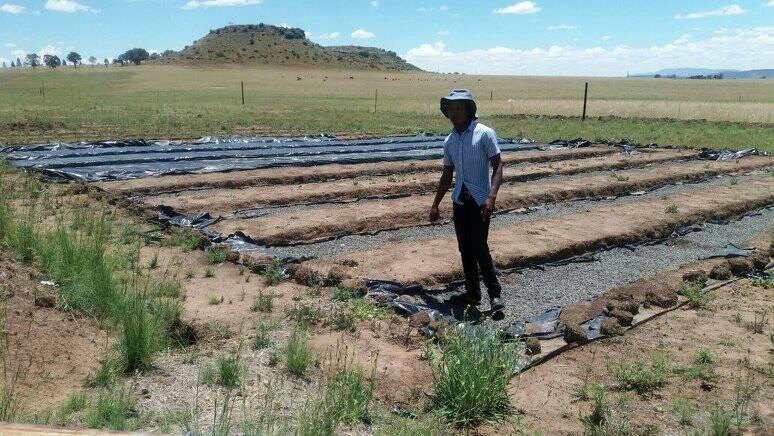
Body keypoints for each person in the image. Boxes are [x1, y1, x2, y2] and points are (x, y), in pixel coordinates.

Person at [429, 89, 505, 312]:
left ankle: (495, 295)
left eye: (458, 108)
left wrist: (491, 196)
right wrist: (435, 204)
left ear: (469, 110)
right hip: (460, 202)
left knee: (480, 247)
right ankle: (473, 293)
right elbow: (446, 174)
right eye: (450, 109)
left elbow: (498, 165)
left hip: (481, 201)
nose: (453, 113)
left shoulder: (484, 134)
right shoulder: (450, 141)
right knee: (465, 248)